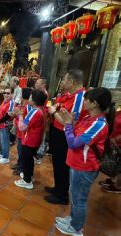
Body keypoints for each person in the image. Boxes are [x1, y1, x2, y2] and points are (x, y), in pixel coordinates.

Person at [54, 87, 114, 236]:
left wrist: (67, 124)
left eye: (87, 99)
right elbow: (76, 133)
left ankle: (76, 228)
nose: (84, 102)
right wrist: (71, 121)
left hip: (85, 167)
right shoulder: (88, 118)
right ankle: (73, 219)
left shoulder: (98, 124)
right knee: (73, 194)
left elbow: (73, 143)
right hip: (78, 164)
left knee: (79, 198)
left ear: (94, 103)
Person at [45, 69, 86, 205]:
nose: (62, 82)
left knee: (63, 165)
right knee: (57, 162)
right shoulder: (71, 95)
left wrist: (53, 113)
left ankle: (62, 196)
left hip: (65, 135)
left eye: (64, 80)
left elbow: (71, 123)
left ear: (71, 82)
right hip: (58, 132)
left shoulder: (80, 97)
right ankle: (58, 189)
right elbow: (62, 109)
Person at [13, 89, 47, 189]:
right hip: (35, 140)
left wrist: (19, 115)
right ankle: (29, 176)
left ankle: (27, 181)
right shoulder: (41, 110)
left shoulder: (35, 112)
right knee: (29, 159)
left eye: (31, 97)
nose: (29, 99)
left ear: (35, 100)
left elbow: (22, 127)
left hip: (30, 141)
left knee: (26, 159)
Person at [12, 87, 32, 175]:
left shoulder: (28, 107)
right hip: (20, 132)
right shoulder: (23, 105)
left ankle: (21, 168)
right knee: (19, 149)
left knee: (22, 151)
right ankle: (19, 164)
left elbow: (25, 120)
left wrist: (17, 115)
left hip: (23, 133)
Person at [100, 110, 121, 193]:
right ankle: (114, 180)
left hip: (118, 141)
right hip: (114, 142)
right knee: (115, 162)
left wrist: (116, 139)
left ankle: (118, 186)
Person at [0, 87, 15, 164]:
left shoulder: (11, 102)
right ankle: (2, 153)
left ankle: (6, 157)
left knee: (5, 141)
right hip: (0, 124)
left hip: (5, 125)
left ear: (12, 94)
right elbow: (0, 111)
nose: (6, 94)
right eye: (4, 93)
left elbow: (8, 116)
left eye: (8, 93)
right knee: (1, 140)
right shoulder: (5, 101)